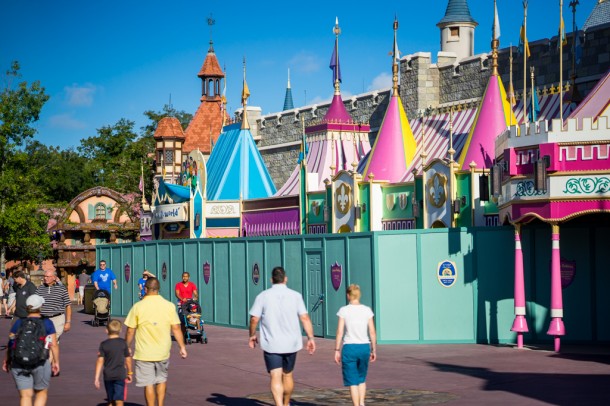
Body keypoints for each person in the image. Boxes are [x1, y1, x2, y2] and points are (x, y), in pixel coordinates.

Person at [248, 266, 316, 406]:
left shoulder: (262, 296)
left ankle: (280, 405)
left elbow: (254, 319)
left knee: (275, 375)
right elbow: (304, 318)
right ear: (285, 279)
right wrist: (311, 338)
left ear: (271, 279)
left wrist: (252, 335)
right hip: (291, 342)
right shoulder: (296, 296)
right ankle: (286, 403)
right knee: (288, 374)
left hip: (272, 343)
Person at [124, 277, 187, 406]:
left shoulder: (138, 306)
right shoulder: (169, 306)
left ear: (145, 289)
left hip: (144, 353)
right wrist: (182, 347)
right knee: (161, 379)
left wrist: (127, 346)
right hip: (162, 351)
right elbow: (176, 328)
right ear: (158, 289)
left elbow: (131, 330)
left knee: (148, 383)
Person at [2, 294, 60, 406]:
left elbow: (11, 342)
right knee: (41, 393)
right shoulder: (47, 323)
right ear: (40, 306)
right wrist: (56, 362)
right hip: (40, 361)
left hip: (19, 361)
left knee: (25, 395)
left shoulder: (19, 322)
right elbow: (53, 344)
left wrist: (7, 359)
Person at [334, 284, 377, 406]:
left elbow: (340, 332)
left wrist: (337, 349)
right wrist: (374, 349)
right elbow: (372, 332)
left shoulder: (344, 310)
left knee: (352, 381)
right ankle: (362, 403)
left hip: (349, 347)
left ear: (348, 295)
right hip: (364, 346)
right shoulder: (367, 310)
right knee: (361, 378)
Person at [95, 320, 133, 406]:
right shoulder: (123, 343)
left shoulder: (104, 344)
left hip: (108, 375)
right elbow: (128, 359)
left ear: (106, 330)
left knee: (111, 399)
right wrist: (130, 373)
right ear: (120, 330)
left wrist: (96, 378)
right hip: (120, 375)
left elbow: (100, 361)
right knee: (119, 399)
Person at [36, 270, 72, 341]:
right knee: (46, 341)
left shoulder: (61, 289)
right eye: (44, 276)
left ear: (54, 277)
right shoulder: (40, 289)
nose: (45, 278)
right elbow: (35, 303)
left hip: (57, 319)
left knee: (52, 341)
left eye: (48, 276)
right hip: (43, 319)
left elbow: (68, 306)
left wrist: (68, 322)